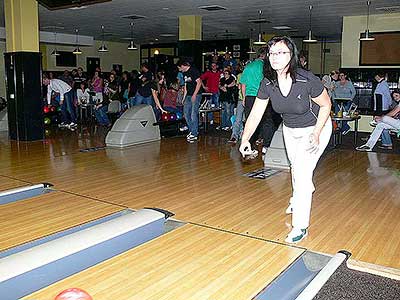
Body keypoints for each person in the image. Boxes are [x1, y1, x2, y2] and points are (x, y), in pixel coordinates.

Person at [239, 36, 332, 244]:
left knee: (300, 172)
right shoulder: (268, 83)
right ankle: (299, 194)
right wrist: (245, 139)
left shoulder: (307, 79)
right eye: (272, 53)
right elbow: (255, 114)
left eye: (281, 52)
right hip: (290, 130)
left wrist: (316, 133)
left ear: (292, 56)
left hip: (317, 128)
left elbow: (326, 105)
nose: (275, 57)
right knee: (298, 170)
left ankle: (301, 226)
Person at [178, 59, 203, 143]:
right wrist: (184, 98)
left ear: (183, 66)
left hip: (196, 94)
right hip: (188, 95)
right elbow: (186, 86)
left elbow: (199, 82)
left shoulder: (193, 71)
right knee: (186, 113)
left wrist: (195, 95)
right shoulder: (184, 73)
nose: (179, 69)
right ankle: (192, 131)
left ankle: (194, 134)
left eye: (179, 67)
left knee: (193, 114)